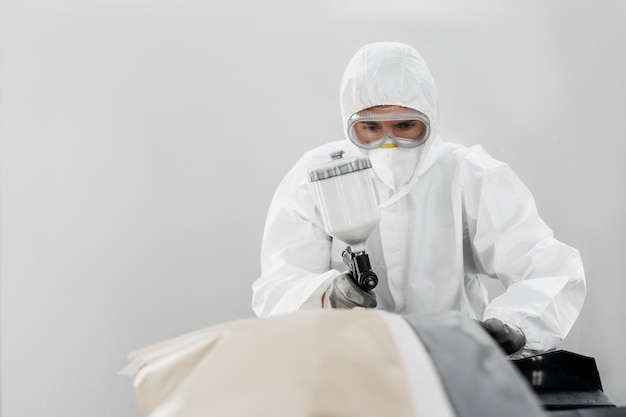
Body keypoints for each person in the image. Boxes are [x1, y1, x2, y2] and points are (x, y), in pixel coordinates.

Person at [251, 42, 586, 356]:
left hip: (454, 364)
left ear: (429, 120)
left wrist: (517, 326)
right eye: (371, 127)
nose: (389, 144)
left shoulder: (468, 174)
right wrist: (326, 296)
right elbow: (278, 288)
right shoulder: (317, 177)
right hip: (349, 369)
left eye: (406, 125)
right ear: (350, 125)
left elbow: (546, 265)